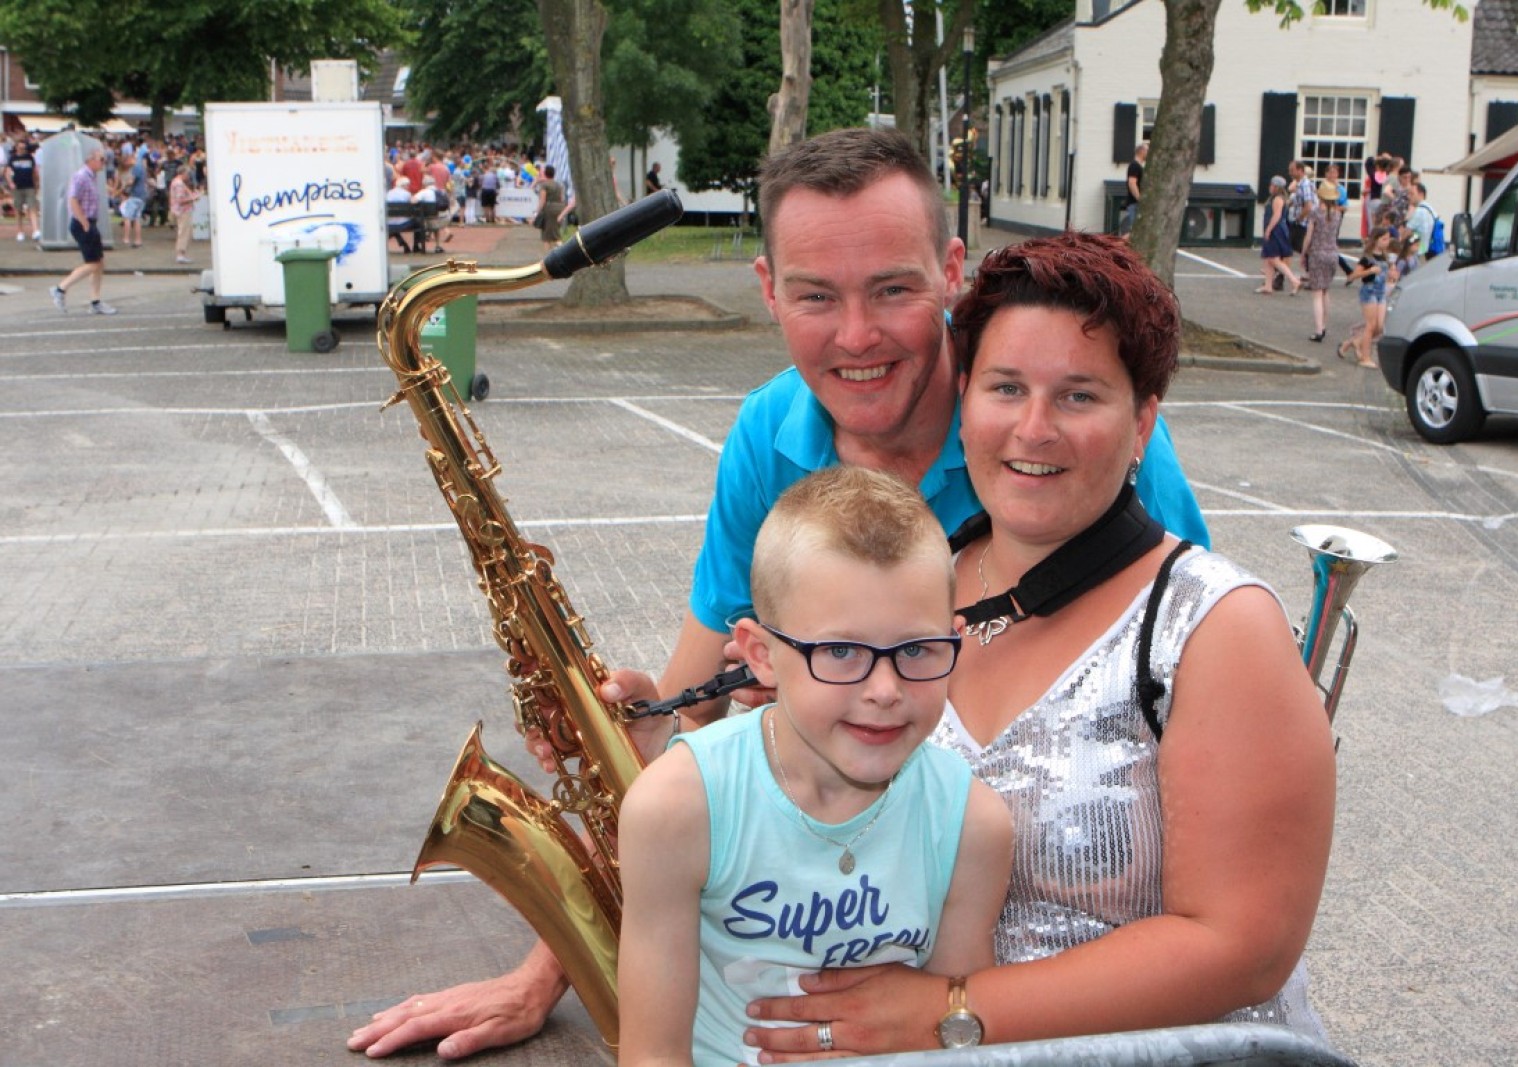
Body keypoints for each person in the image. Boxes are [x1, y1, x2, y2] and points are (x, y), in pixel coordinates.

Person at [348, 127, 1210, 1061]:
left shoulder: (1069, 438)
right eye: (815, 295)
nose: (857, 335)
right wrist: (551, 958)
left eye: (893, 288)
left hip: (1063, 953)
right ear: (767, 289)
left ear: (952, 271)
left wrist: (946, 1007)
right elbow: (690, 717)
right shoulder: (767, 435)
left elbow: (1179, 655)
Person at [744, 230, 1336, 1058]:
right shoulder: (916, 588)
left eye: (1079, 396)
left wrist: (949, 1010)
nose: (1034, 428)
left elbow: (1243, 946)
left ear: (1143, 423)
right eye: (1006, 387)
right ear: (965, 403)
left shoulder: (1216, 623)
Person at [617, 466, 1014, 1067]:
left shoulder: (971, 824)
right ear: (761, 655)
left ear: (956, 640)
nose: (885, 690)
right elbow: (653, 1054)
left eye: (915, 649)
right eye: (841, 651)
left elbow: (954, 1040)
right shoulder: (679, 806)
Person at [50, 146, 116, 315]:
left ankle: (95, 301)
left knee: (98, 262)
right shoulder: (81, 176)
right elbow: (72, 199)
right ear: (90, 160)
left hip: (90, 222)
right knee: (93, 263)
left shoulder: (91, 177)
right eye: (101, 159)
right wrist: (83, 221)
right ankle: (61, 288)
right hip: (83, 223)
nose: (103, 163)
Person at [1336, 228, 1394, 369]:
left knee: (1380, 326)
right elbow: (1352, 276)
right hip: (1369, 291)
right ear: (1376, 240)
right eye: (1384, 239)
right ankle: (1365, 357)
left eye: (1388, 239)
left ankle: (1353, 342)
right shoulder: (1367, 258)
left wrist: (1391, 275)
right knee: (1370, 325)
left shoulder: (1385, 257)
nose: (1387, 242)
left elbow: (1387, 274)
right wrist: (1369, 271)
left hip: (1381, 292)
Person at [1301, 180, 1344, 343]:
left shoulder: (1315, 213)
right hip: (1332, 253)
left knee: (1317, 293)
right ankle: (1324, 325)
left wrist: (1304, 253)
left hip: (1317, 253)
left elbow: (1309, 236)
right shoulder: (1337, 214)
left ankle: (1318, 329)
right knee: (1326, 290)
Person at [1255, 176, 1301, 295]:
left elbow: (1277, 215)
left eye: (1272, 185)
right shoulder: (1275, 198)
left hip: (1276, 230)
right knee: (1268, 258)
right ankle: (1268, 285)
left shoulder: (1278, 199)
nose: (1270, 187)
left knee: (1274, 259)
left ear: (1276, 187)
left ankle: (1294, 280)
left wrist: (1269, 229)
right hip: (1275, 229)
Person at [6, 137, 40, 243]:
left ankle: (35, 230)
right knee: (18, 210)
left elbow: (34, 171)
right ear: (16, 147)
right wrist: (10, 183)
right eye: (20, 147)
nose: (22, 149)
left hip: (29, 186)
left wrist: (37, 183)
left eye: (24, 147)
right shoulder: (12, 158)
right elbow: (8, 172)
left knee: (32, 208)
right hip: (18, 187)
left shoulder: (30, 158)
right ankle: (20, 231)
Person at [169, 165, 199, 265]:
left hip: (180, 210)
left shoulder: (176, 182)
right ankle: (180, 254)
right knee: (184, 232)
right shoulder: (179, 184)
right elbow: (180, 200)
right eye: (188, 174)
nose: (189, 176)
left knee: (184, 231)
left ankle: (181, 254)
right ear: (184, 173)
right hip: (183, 211)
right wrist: (193, 198)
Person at [534, 165, 566, 251]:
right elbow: (561, 198)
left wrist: (537, 211)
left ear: (545, 174)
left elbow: (542, 200)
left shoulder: (544, 185)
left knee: (547, 235)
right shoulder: (559, 185)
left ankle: (550, 254)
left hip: (549, 209)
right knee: (556, 230)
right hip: (559, 208)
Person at [1121, 141, 1147, 234]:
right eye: (1147, 151)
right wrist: (1140, 199)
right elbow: (1132, 183)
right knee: (1137, 231)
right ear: (1142, 151)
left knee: (1137, 231)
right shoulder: (1134, 166)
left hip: (1136, 204)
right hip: (1135, 204)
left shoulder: (1137, 166)